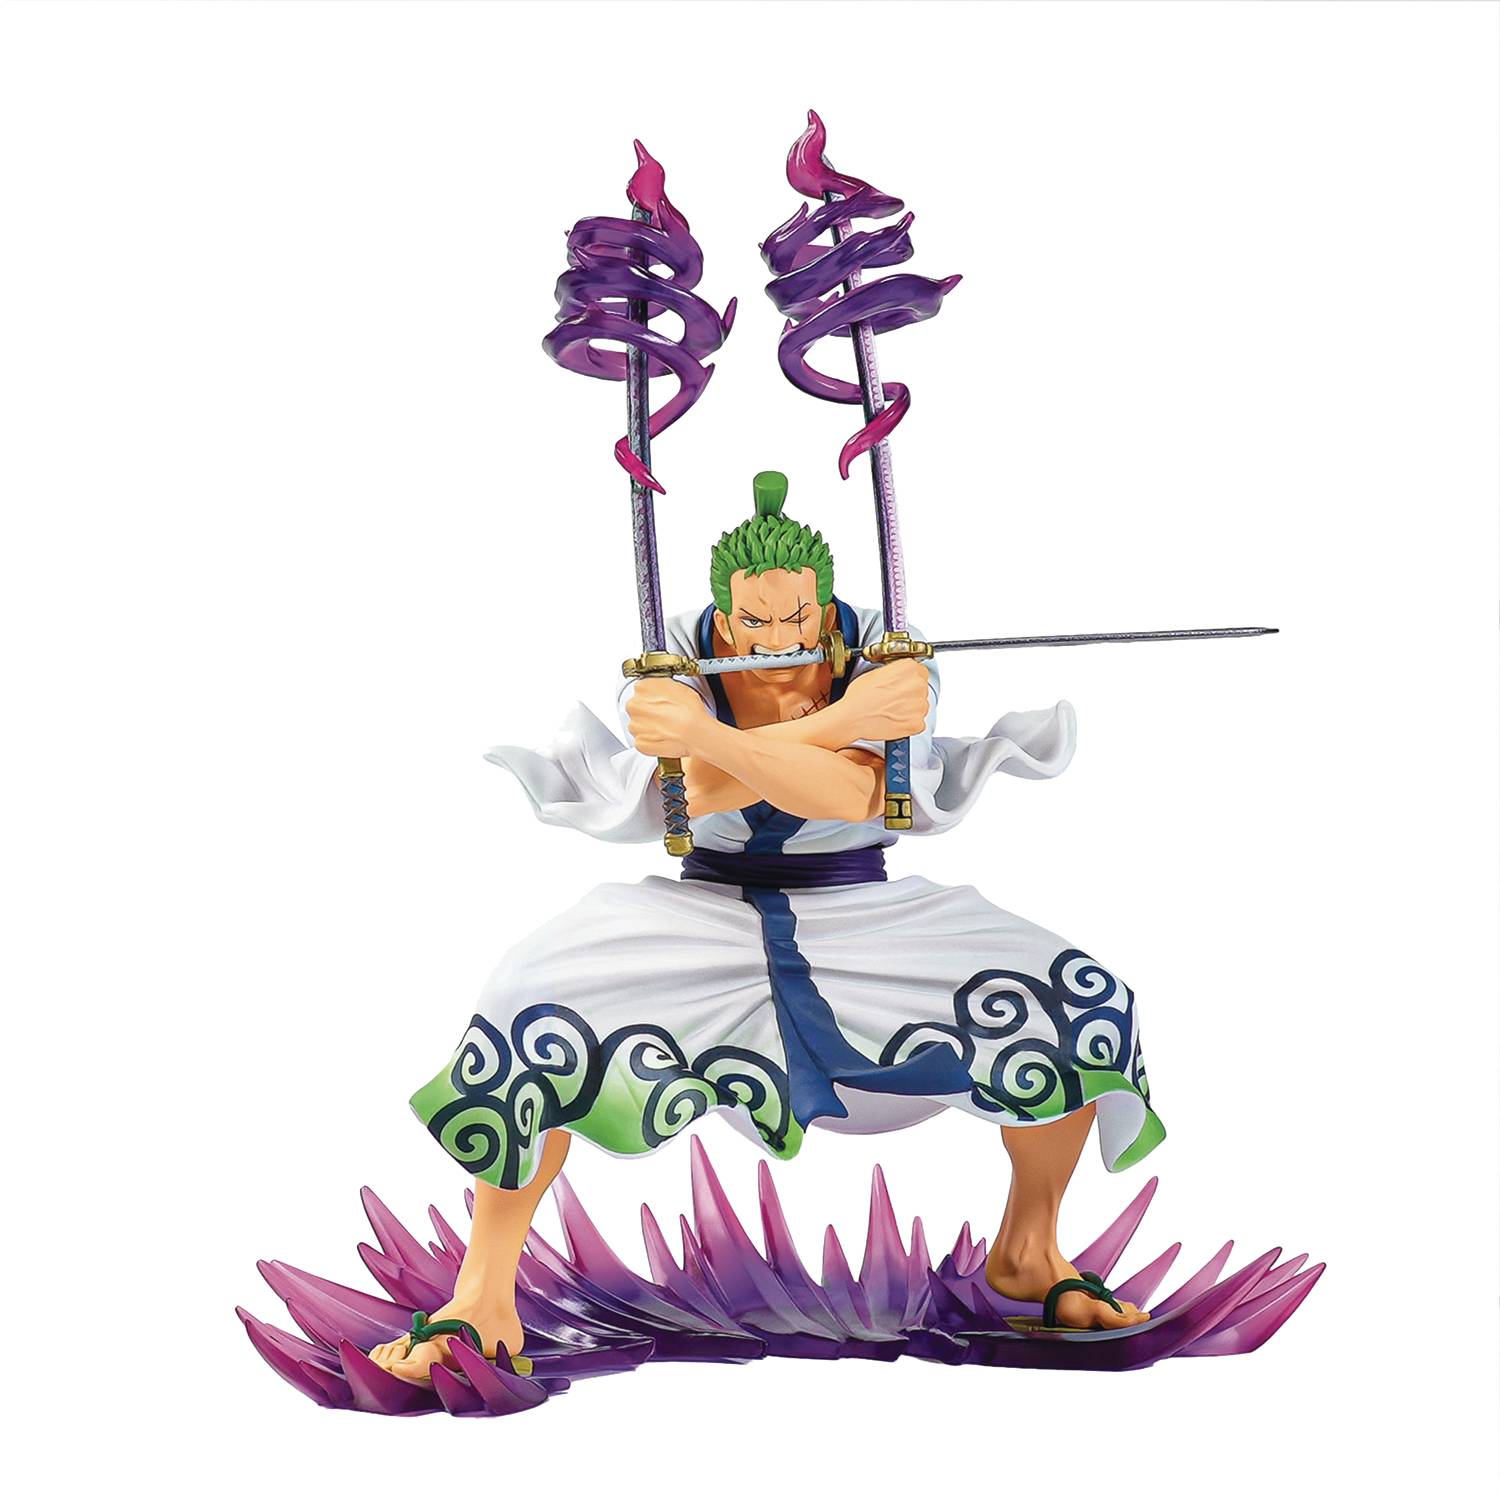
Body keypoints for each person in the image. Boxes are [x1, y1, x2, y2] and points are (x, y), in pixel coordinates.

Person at [371, 471, 1160, 1383]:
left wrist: (723, 738)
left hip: (865, 906)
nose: (778, 641)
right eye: (754, 624)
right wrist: (843, 723)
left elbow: (859, 794)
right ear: (723, 615)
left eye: (797, 620)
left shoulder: (888, 652)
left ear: (825, 606)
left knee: (1076, 1002)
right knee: (528, 1002)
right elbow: (685, 802)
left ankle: (1028, 1252)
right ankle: (481, 1296)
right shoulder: (672, 658)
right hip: (701, 906)